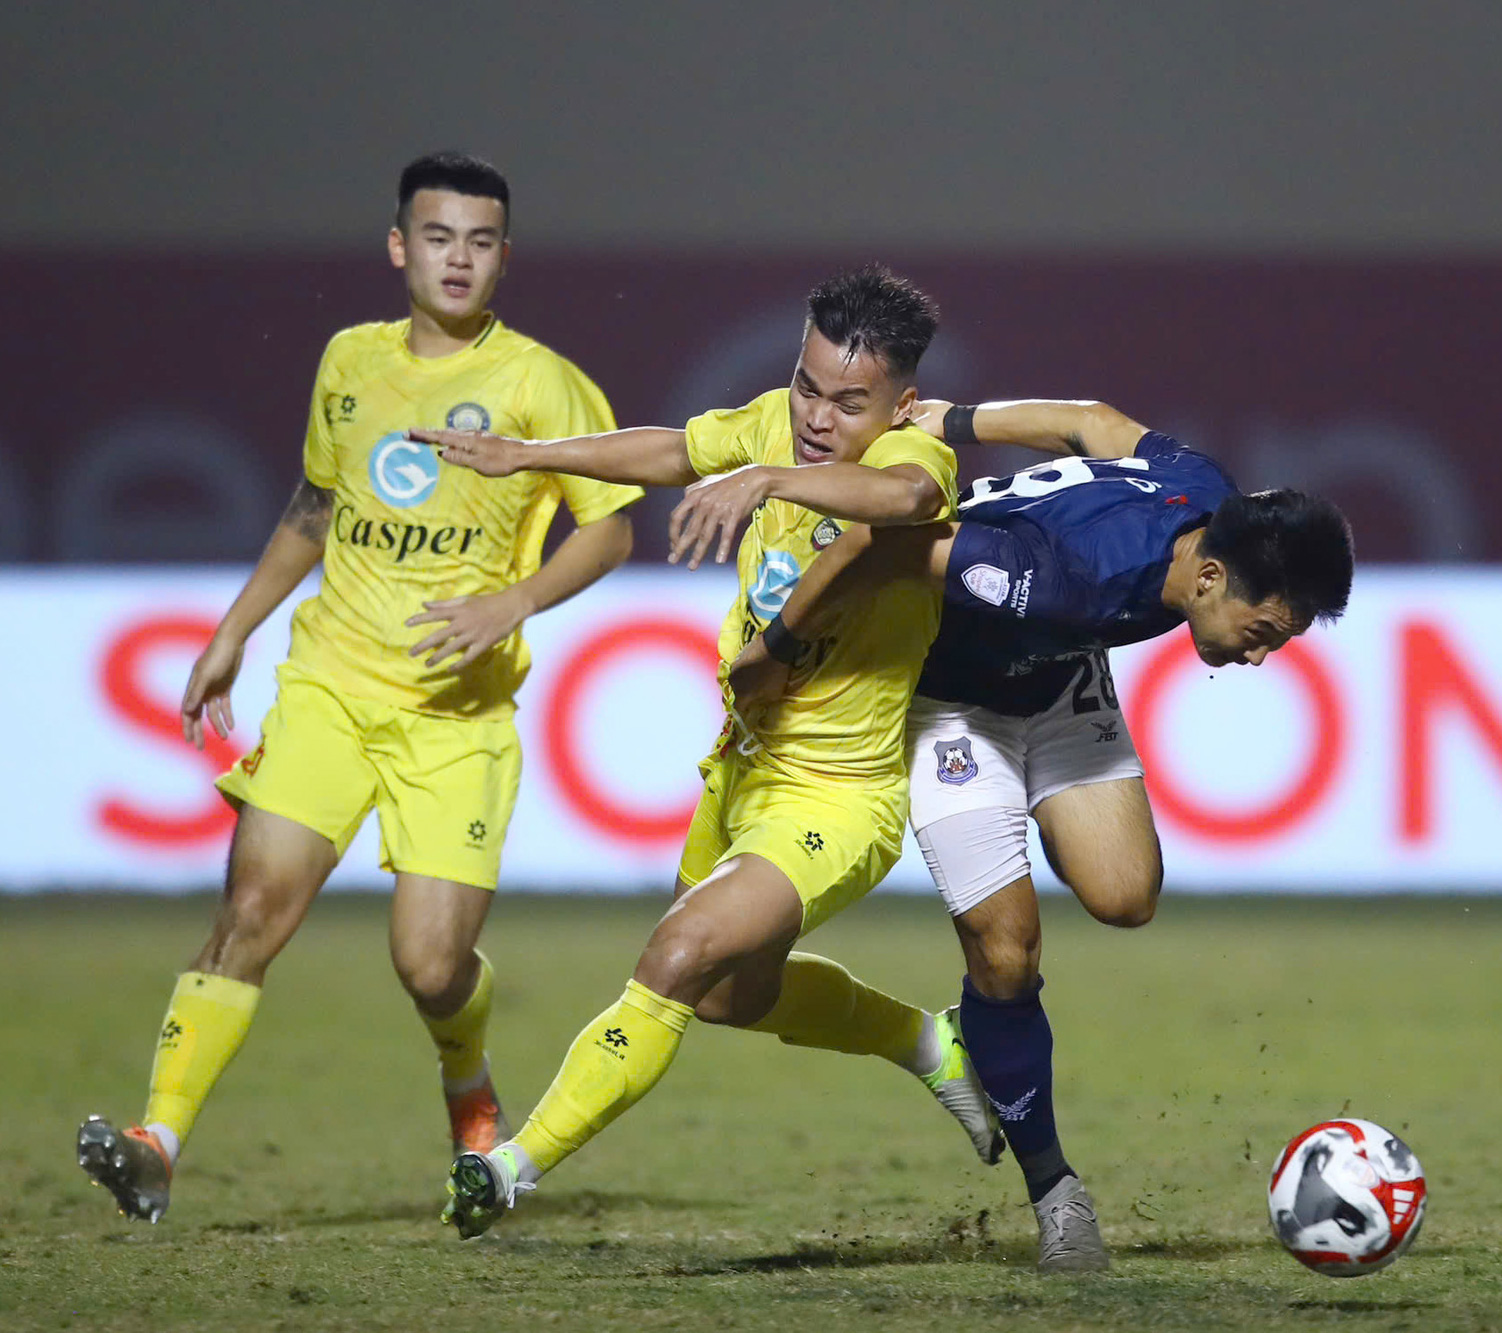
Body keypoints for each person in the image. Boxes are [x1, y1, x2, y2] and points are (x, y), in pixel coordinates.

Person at [76, 152, 644, 1223]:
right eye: (438, 237)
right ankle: (158, 1140)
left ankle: (467, 1079)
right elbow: (313, 507)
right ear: (399, 247)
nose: (458, 259)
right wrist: (234, 630)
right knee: (252, 909)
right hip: (331, 684)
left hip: (455, 718)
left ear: (504, 257)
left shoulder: (540, 383)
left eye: (480, 241)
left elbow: (610, 527)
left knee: (430, 967)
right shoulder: (349, 361)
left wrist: (509, 604)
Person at [421, 265, 1005, 1241]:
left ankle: (507, 1168)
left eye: (846, 401)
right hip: (737, 771)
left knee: (676, 955)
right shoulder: (774, 423)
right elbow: (672, 448)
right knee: (733, 994)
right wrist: (525, 456)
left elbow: (896, 495)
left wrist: (766, 476)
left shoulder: (918, 455)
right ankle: (927, 1040)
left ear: (901, 403)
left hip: (837, 798)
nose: (815, 415)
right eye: (805, 385)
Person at [730, 397, 1354, 1268]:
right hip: (951, 702)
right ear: (1210, 580)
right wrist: (782, 647)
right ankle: (1057, 1193)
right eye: (1261, 635)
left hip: (1060, 680)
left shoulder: (1205, 495)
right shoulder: (1061, 573)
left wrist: (958, 416)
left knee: (1126, 895)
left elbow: (1094, 422)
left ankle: (989, 1023)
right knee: (1009, 954)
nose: (1257, 657)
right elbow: (879, 545)